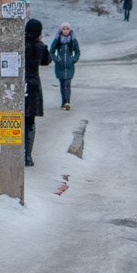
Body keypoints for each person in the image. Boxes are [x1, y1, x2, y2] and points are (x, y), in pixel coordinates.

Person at [23, 18, 52, 167]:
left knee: (15, 118)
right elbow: (47, 61)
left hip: (18, 84)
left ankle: (14, 150)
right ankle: (27, 155)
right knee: (30, 121)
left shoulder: (19, 44)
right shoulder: (40, 46)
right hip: (33, 86)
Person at [50, 22, 80, 111]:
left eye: (67, 29)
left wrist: (74, 59)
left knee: (67, 83)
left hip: (70, 66)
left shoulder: (73, 40)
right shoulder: (57, 39)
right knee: (62, 84)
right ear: (61, 30)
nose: (66, 31)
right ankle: (63, 102)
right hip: (60, 66)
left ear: (70, 30)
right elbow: (51, 52)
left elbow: (78, 52)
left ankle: (67, 102)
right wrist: (57, 59)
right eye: (64, 29)